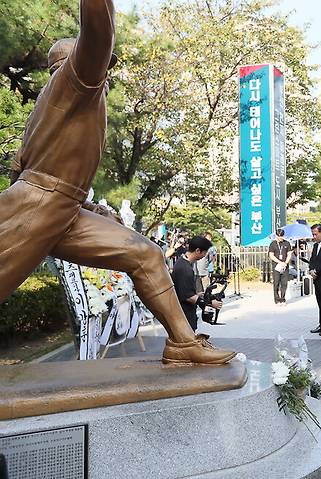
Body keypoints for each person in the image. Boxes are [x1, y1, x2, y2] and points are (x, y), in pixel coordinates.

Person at [0, 0, 235, 365]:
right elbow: (99, 31)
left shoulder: (53, 108)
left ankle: (182, 342)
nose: (104, 69)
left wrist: (88, 207)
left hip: (61, 207)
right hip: (41, 206)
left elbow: (25, 171)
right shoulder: (76, 82)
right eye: (99, 62)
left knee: (146, 254)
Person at [172, 236, 223, 332]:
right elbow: (188, 297)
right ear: (198, 250)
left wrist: (198, 294)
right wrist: (211, 303)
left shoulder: (183, 263)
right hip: (184, 316)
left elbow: (184, 290)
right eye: (204, 252)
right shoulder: (185, 269)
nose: (205, 255)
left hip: (185, 315)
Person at [269, 229, 293, 306]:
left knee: (284, 283)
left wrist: (285, 262)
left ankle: (283, 299)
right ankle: (277, 299)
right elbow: (271, 255)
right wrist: (280, 262)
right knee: (276, 283)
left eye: (281, 236)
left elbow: (289, 254)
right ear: (276, 235)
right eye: (278, 236)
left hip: (285, 266)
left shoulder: (287, 243)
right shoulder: (273, 244)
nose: (280, 238)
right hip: (276, 266)